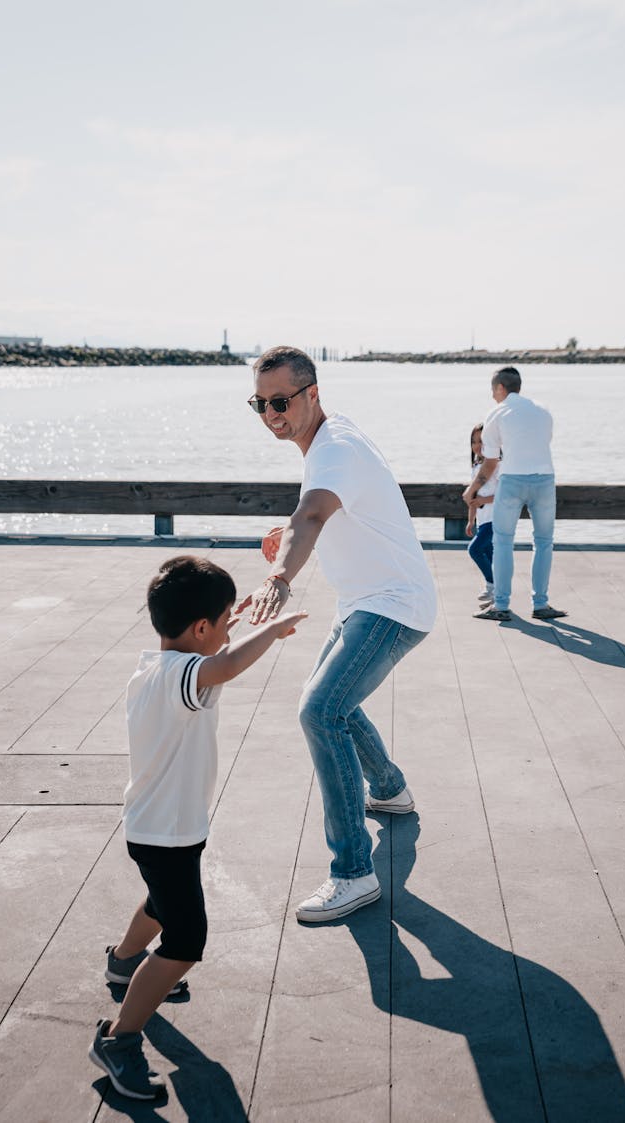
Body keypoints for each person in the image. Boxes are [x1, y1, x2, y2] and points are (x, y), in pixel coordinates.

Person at [89, 555, 306, 1100]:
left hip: (161, 827)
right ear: (202, 628)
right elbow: (224, 667)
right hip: (166, 831)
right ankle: (118, 1038)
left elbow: (209, 655)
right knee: (186, 940)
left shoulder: (156, 667)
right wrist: (272, 632)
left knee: (163, 903)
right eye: (223, 619)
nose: (231, 626)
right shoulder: (189, 674)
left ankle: (122, 964)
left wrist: (226, 626)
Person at [246, 346, 436, 924]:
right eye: (259, 403)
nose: (271, 413)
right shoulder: (330, 441)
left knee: (320, 710)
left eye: (281, 401)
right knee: (335, 703)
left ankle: (353, 872)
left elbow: (312, 514)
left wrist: (281, 574)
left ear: (312, 394)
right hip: (367, 600)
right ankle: (390, 788)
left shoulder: (335, 450)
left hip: (391, 605)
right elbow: (321, 512)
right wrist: (291, 531)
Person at [462, 366, 567, 622]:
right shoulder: (543, 411)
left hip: (512, 480)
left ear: (500, 388)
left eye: (492, 390)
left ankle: (501, 604)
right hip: (544, 479)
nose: (492, 396)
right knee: (543, 542)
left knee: (502, 542)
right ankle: (540, 604)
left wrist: (472, 488)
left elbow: (490, 462)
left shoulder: (496, 414)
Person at [465, 422, 498, 610]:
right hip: (483, 520)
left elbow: (503, 494)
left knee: (474, 549)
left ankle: (491, 584)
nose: (477, 445)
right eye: (473, 441)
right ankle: (496, 594)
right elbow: (473, 498)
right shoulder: (476, 467)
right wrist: (471, 520)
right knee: (489, 554)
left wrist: (484, 499)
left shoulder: (495, 466)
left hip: (494, 519)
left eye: (482, 441)